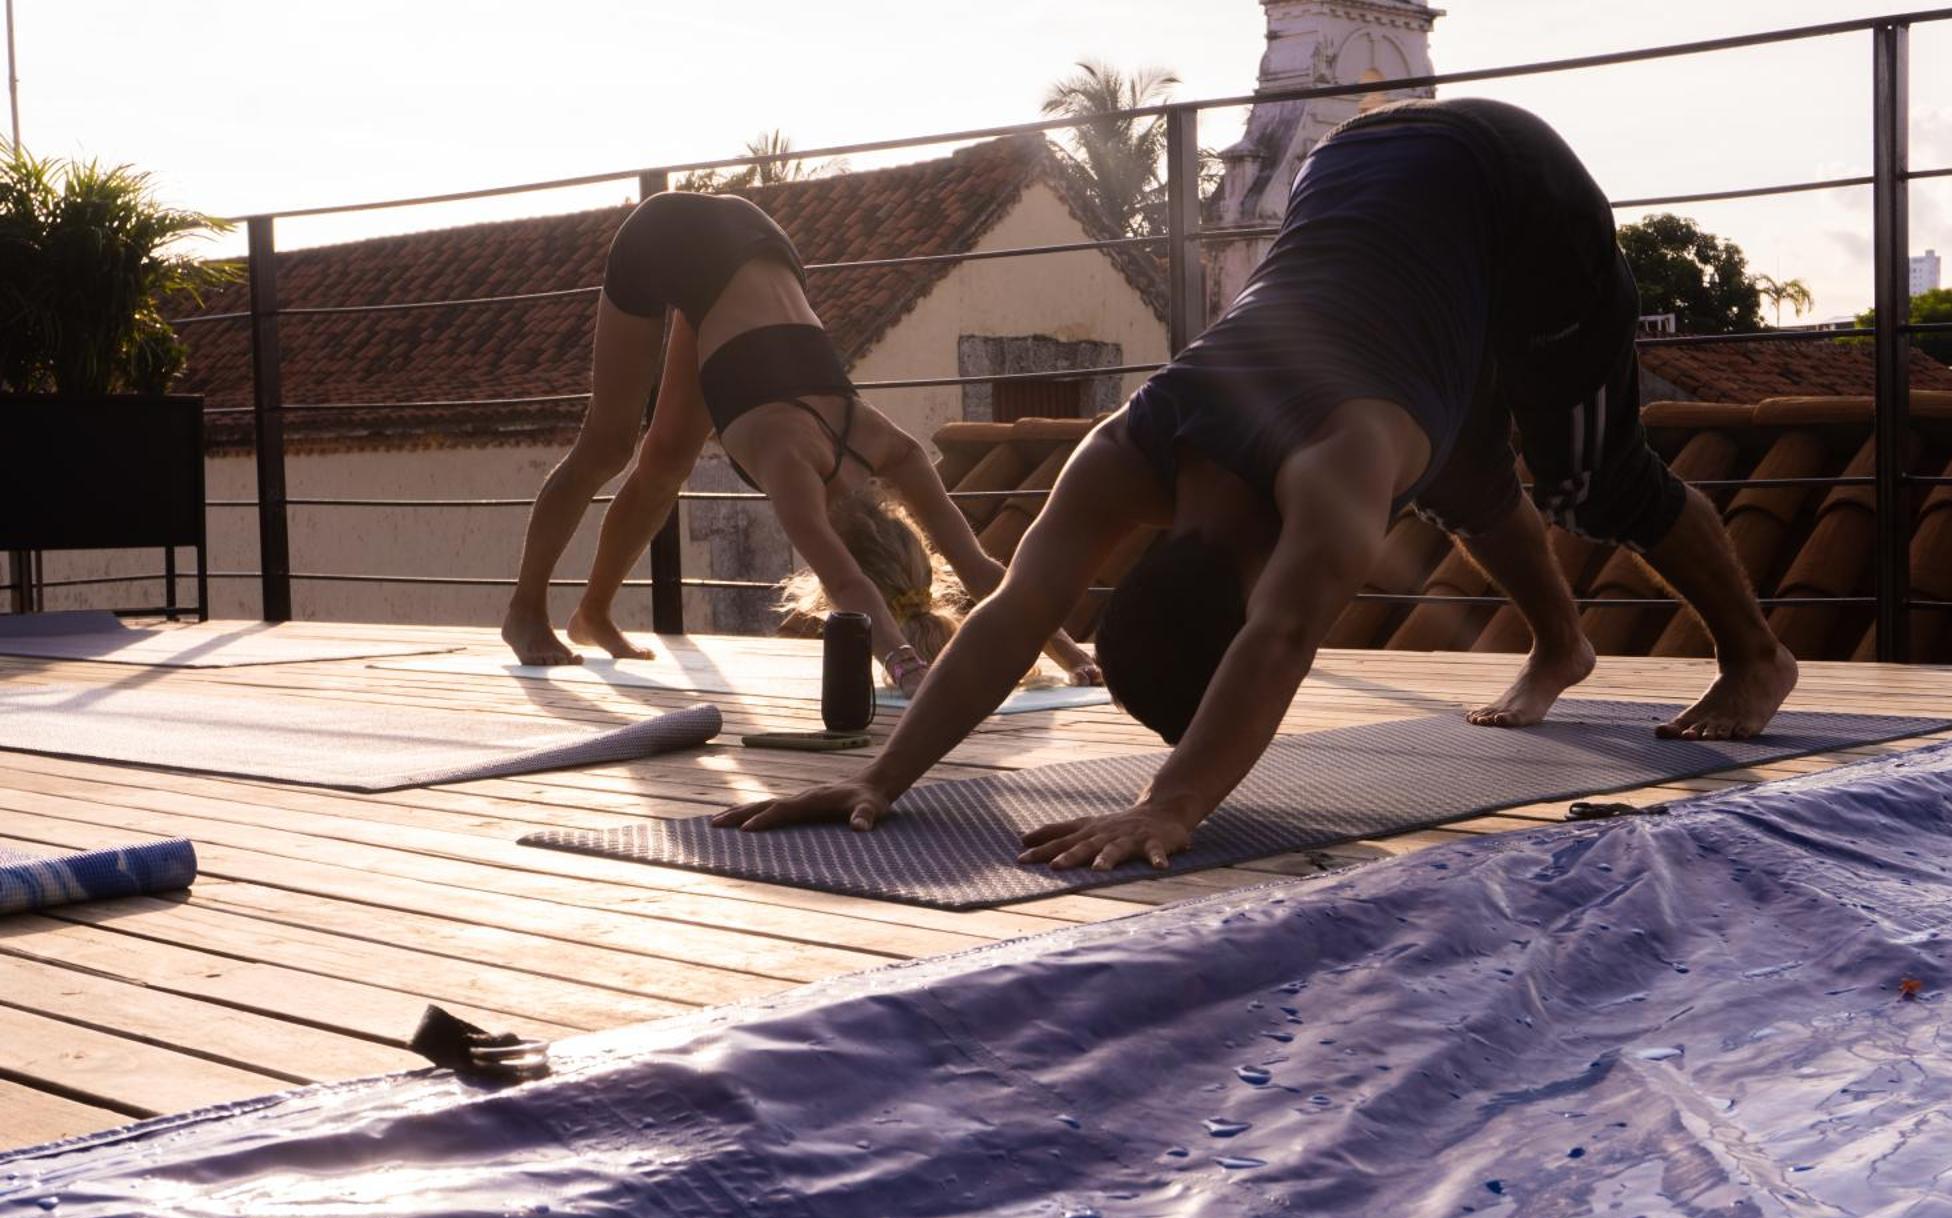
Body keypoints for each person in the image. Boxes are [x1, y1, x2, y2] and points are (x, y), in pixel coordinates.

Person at [714, 98, 1798, 867]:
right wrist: (879, 779)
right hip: (1348, 168)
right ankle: (1561, 646)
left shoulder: (1335, 465)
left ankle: (1755, 656)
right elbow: (1013, 611)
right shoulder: (1127, 456)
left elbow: (1277, 640)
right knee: (1459, 471)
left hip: (1511, 184)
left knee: (1588, 484)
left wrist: (1171, 803)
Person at [502, 189, 1100, 695]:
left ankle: (593, 613)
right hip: (667, 236)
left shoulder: (888, 448)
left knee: (665, 459)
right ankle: (525, 611)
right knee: (607, 446)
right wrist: (903, 664)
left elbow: (978, 568)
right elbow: (851, 586)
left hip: (757, 242)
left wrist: (1075, 658)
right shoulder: (793, 464)